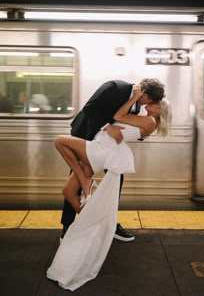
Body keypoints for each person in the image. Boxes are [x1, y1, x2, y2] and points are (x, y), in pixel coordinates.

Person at [47, 87, 172, 291]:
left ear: (159, 110)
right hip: (99, 146)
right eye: (150, 101)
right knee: (68, 192)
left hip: (101, 150)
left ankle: (84, 182)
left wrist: (133, 98)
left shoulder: (149, 121)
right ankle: (92, 223)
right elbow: (117, 119)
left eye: (154, 103)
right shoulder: (143, 116)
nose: (148, 104)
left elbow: (117, 116)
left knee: (59, 141)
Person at [61, 78, 165, 242]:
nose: (146, 105)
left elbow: (127, 125)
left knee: (115, 181)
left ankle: (109, 223)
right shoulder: (115, 87)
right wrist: (108, 127)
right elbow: (90, 109)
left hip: (108, 146)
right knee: (75, 179)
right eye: (148, 100)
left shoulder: (137, 105)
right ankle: (68, 225)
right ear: (143, 93)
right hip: (85, 133)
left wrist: (142, 132)